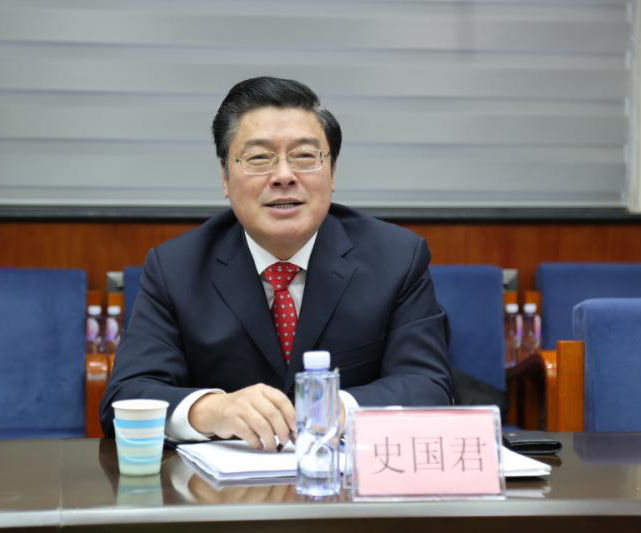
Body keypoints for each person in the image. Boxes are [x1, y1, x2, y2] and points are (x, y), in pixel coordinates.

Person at [100, 76, 453, 451]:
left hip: (345, 479)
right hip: (216, 486)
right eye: (259, 158)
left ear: (332, 173)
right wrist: (212, 409)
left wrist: (336, 409)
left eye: (304, 156)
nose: (284, 176)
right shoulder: (177, 269)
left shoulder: (396, 258)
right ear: (225, 177)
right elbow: (127, 395)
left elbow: (429, 386)